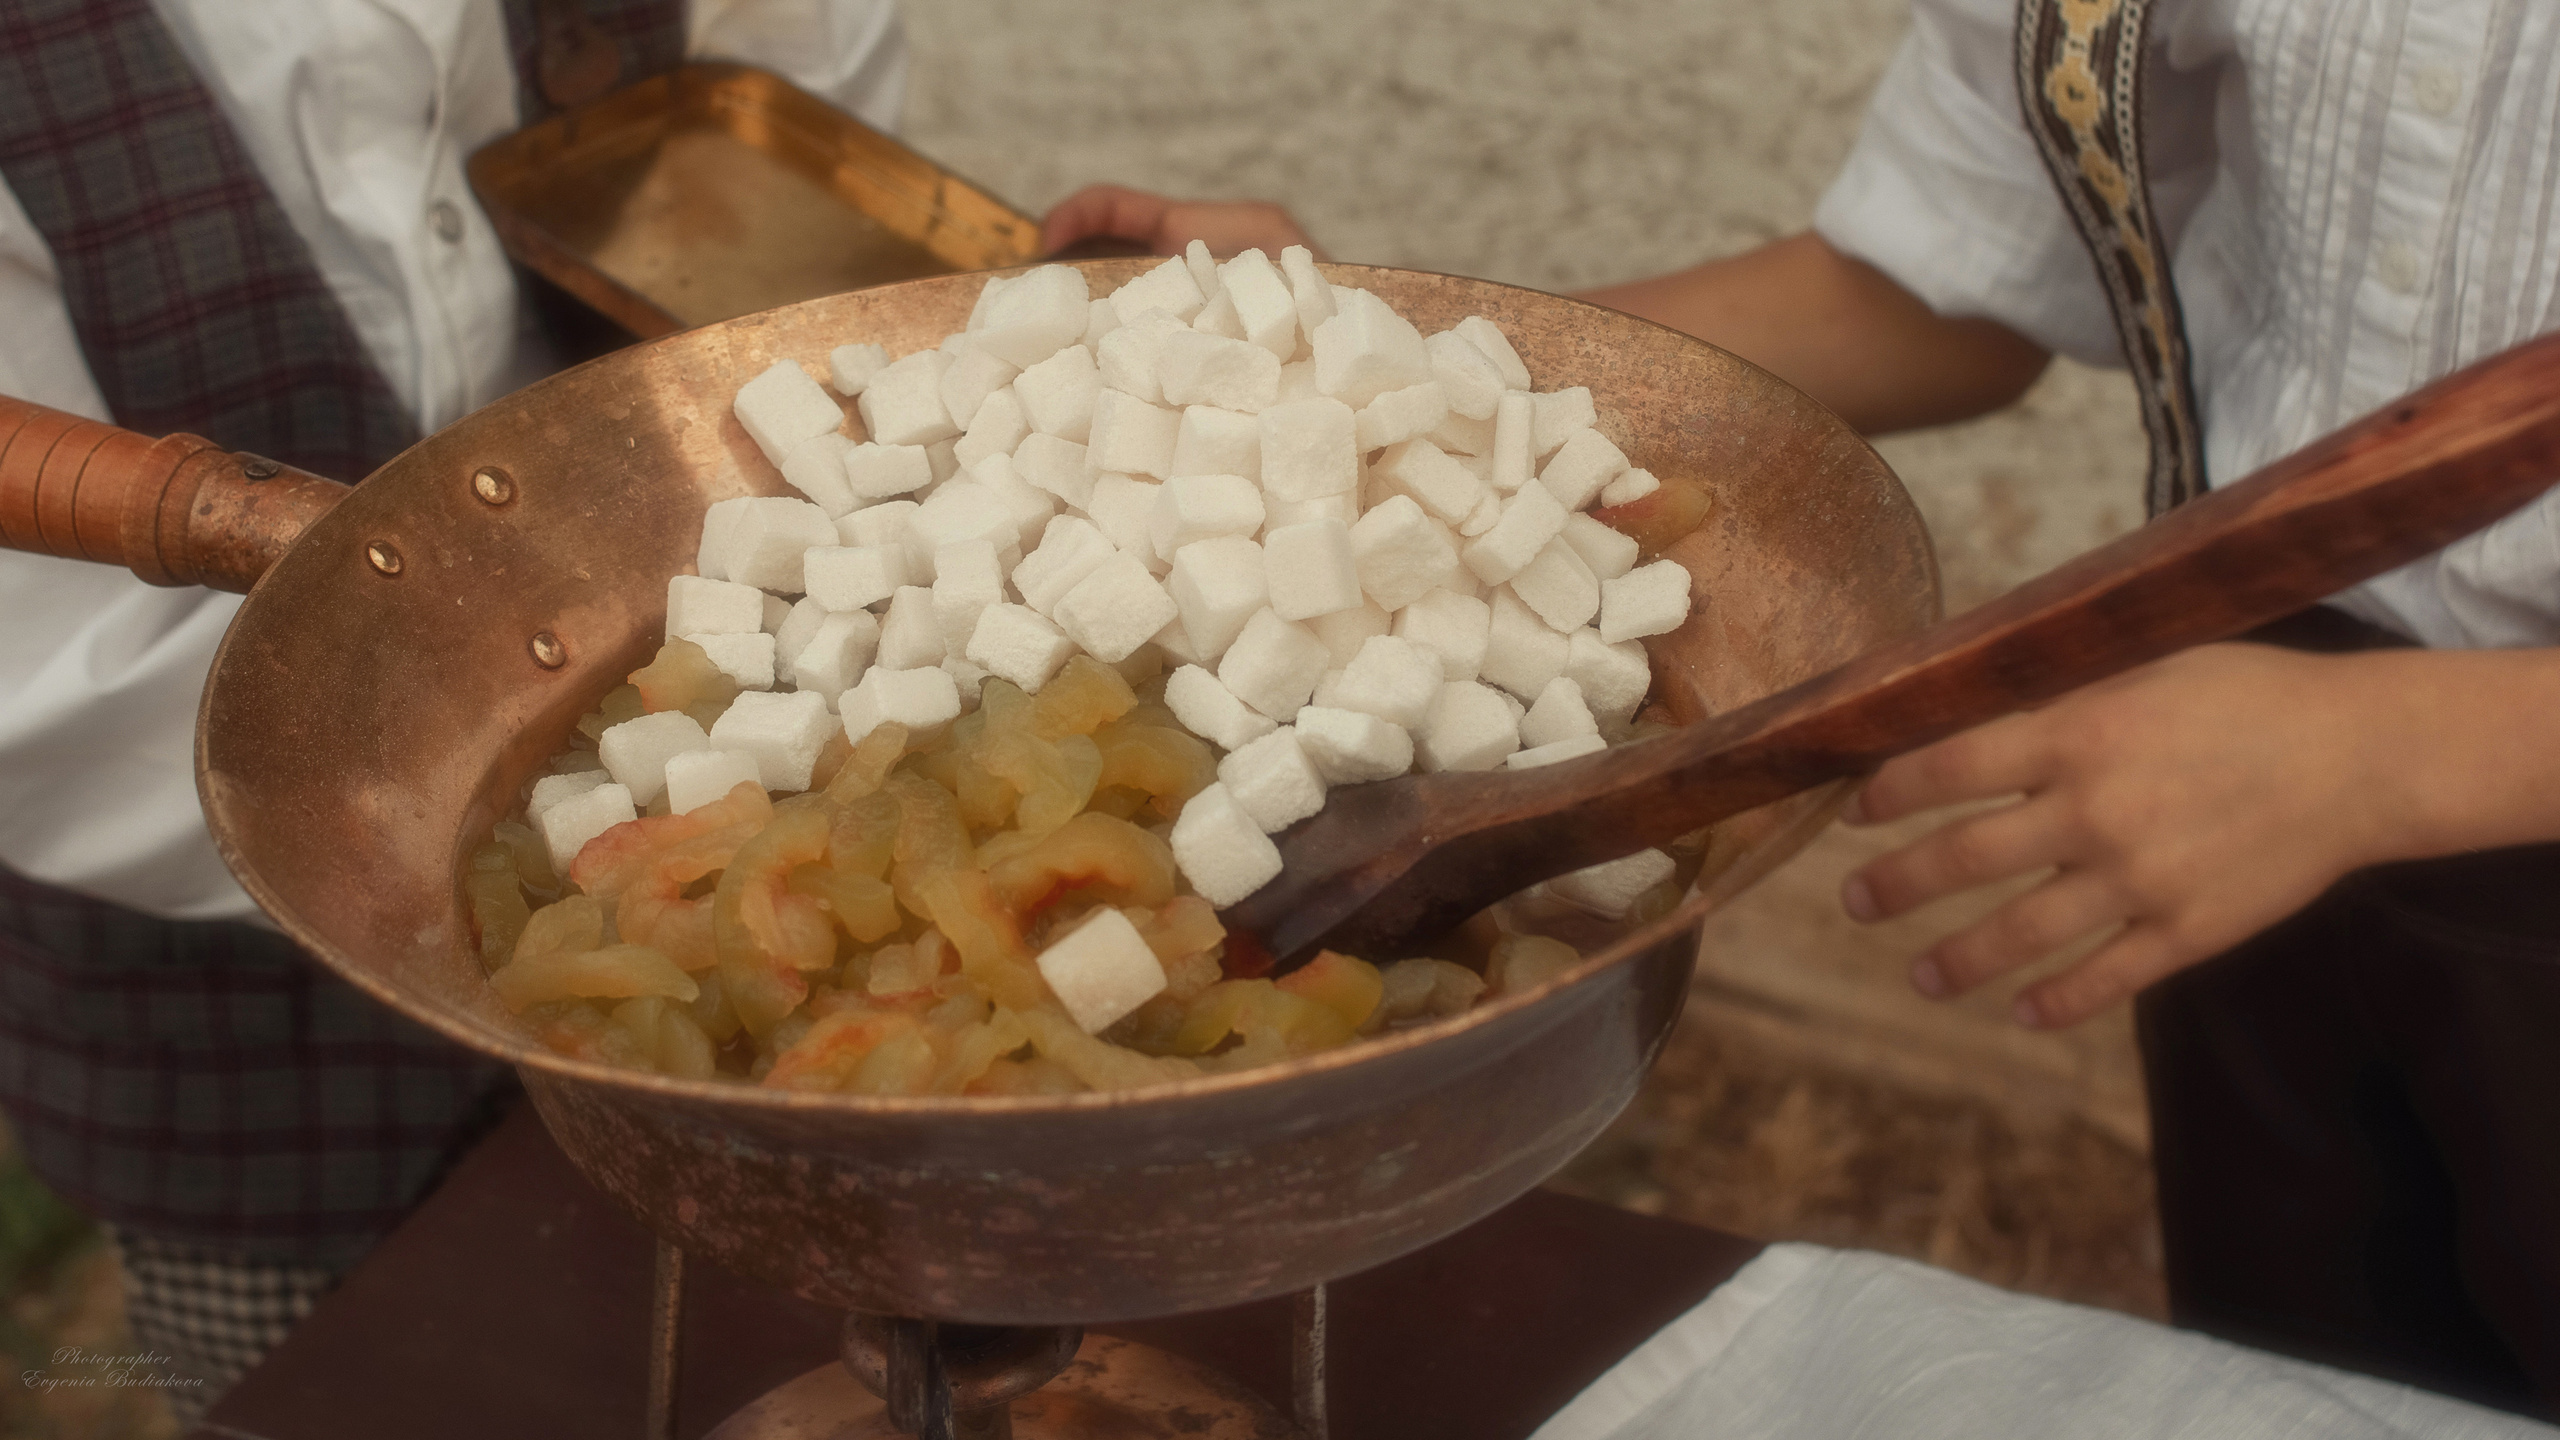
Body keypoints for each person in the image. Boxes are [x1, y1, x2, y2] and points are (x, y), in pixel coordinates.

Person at [1041, 0, 2560, 1419]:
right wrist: (1387, 366)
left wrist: (2392, 757)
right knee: (2318, 1393)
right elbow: (1944, 293)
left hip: (2388, 765)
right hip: (2231, 770)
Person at [0, 0, 904, 1418]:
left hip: (800, 980)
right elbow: (38, 684)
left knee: (798, 1358)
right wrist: (595, 818)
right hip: (263, 1092)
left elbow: (821, 282)